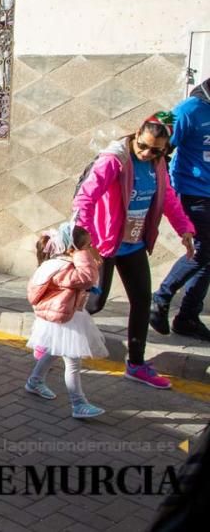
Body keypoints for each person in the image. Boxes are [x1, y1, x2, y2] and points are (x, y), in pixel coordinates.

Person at [75, 113, 195, 390]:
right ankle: (50, 340)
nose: (146, 153)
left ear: (165, 150)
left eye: (156, 150)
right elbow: (86, 197)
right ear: (137, 134)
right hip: (103, 245)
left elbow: (168, 199)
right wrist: (83, 239)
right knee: (93, 304)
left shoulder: (158, 165)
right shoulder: (115, 160)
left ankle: (137, 364)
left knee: (142, 301)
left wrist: (184, 228)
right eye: (143, 145)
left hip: (133, 242)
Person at [24, 220, 108, 419]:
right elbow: (87, 278)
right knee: (73, 363)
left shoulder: (60, 264)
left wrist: (84, 254)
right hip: (64, 319)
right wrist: (84, 254)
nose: (91, 249)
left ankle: (34, 381)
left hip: (65, 315)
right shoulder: (62, 269)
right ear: (73, 249)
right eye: (88, 246)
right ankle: (78, 403)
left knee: (54, 350)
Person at [152, 79, 210, 342]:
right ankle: (161, 298)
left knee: (208, 257)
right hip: (193, 192)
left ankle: (187, 317)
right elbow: (159, 139)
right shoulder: (189, 109)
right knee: (202, 250)